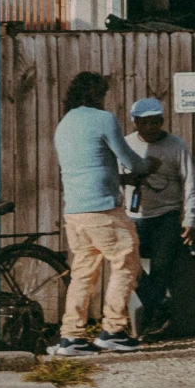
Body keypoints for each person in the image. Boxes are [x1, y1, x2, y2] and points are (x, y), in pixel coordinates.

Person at [48, 71, 149, 357]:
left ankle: (72, 336)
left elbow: (89, 166)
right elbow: (130, 160)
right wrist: (147, 166)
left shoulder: (64, 124)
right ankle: (114, 330)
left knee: (83, 273)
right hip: (103, 208)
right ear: (96, 94)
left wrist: (119, 180)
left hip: (76, 210)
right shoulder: (103, 119)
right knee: (127, 263)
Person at [124, 97, 195, 338]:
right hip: (133, 216)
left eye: (156, 121)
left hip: (166, 216)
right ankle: (159, 310)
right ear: (135, 123)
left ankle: (149, 324)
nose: (151, 127)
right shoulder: (125, 146)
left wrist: (190, 218)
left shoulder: (176, 145)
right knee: (128, 265)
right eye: (145, 122)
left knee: (162, 268)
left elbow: (190, 182)